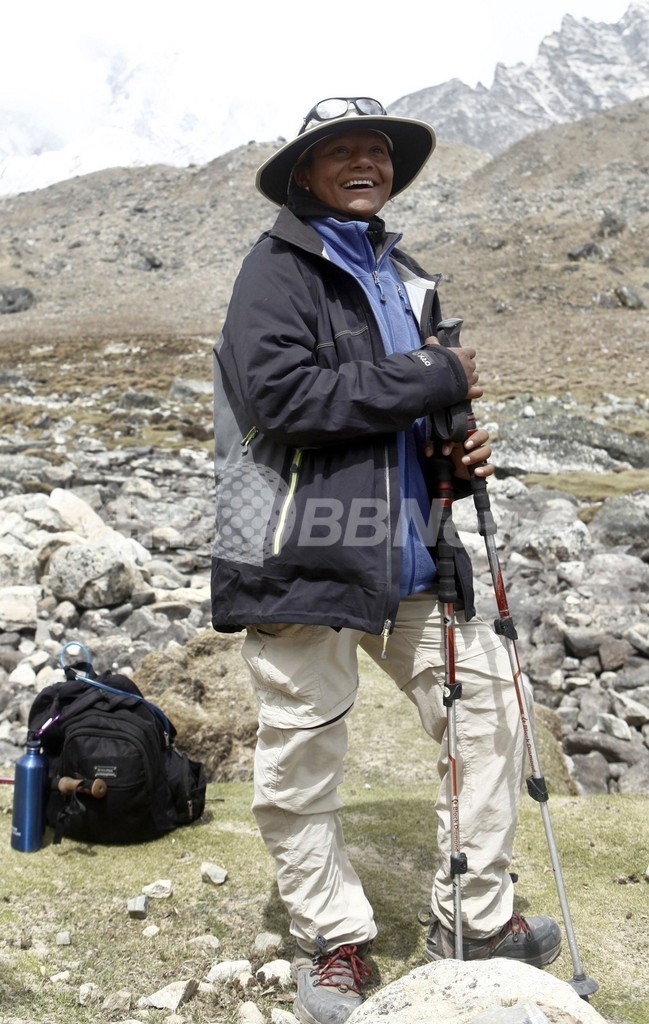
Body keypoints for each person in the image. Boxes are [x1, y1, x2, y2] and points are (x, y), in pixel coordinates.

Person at [211, 97, 561, 1024]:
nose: (364, 162)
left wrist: (454, 450)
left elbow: (403, 411)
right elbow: (283, 399)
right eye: (342, 152)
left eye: (377, 150)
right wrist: (435, 373)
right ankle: (332, 941)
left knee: (489, 712)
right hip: (296, 550)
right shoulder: (274, 270)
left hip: (412, 544)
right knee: (302, 751)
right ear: (305, 173)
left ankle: (473, 922)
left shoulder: (406, 278)